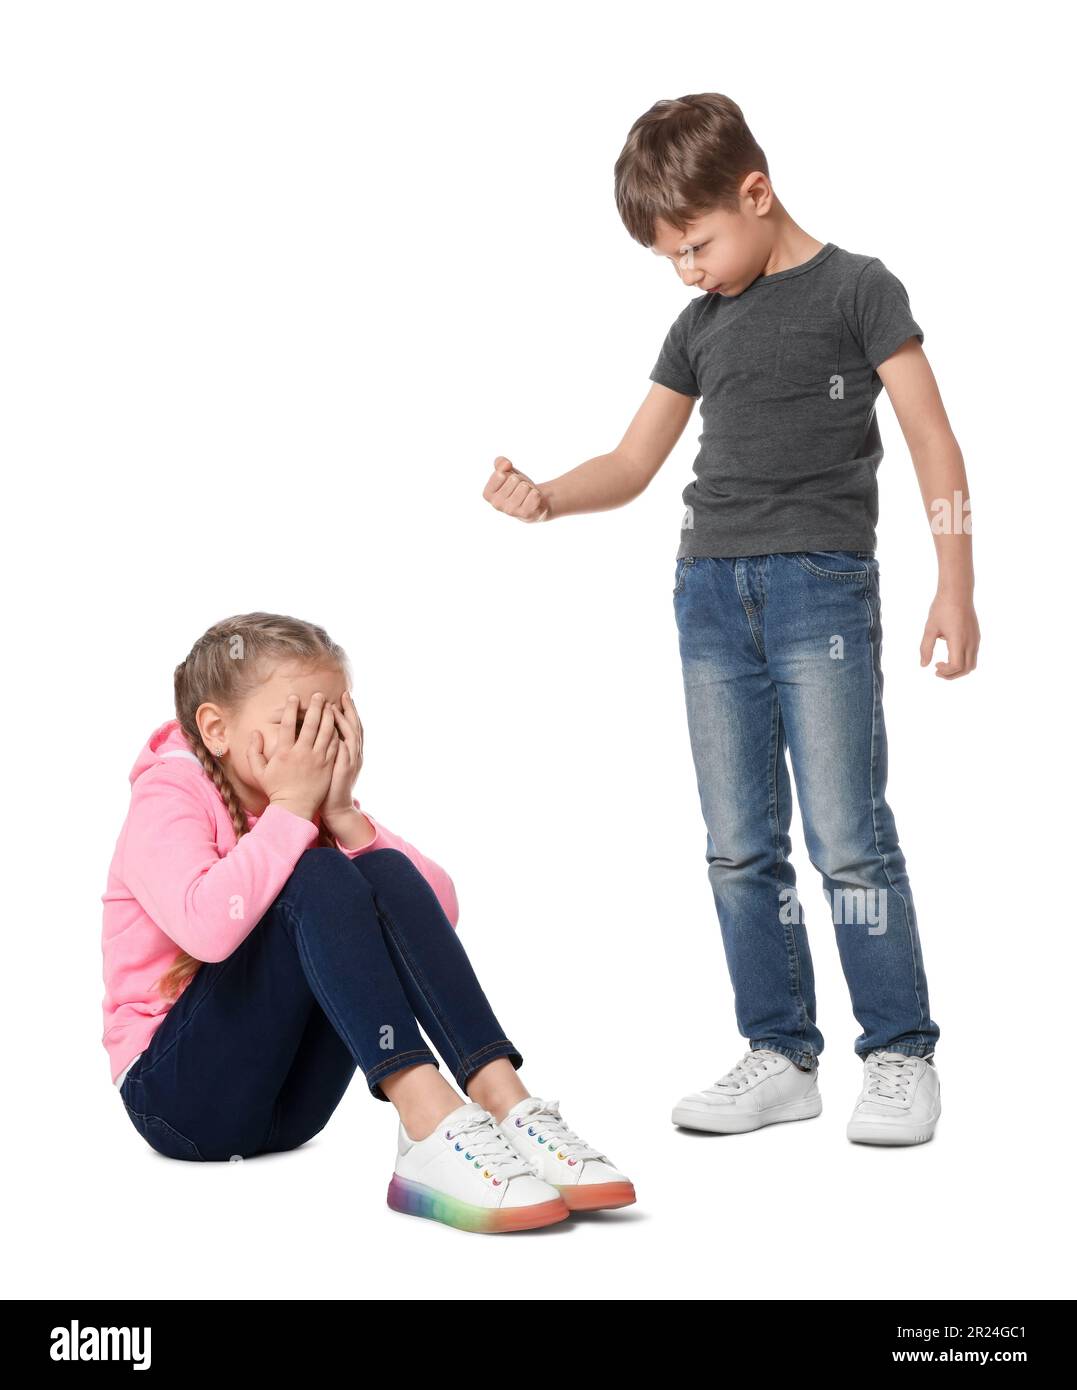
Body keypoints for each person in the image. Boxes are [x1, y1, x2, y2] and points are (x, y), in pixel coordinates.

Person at [483, 92, 979, 1147]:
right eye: (670, 257)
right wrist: (547, 495)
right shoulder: (699, 324)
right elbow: (632, 460)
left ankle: (898, 1053)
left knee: (848, 836)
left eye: (697, 244)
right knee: (737, 845)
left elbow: (935, 440)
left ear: (756, 193)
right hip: (709, 594)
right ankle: (780, 1054)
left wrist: (955, 583)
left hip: (821, 589)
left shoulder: (859, 288)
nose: (689, 270)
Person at [101, 611, 636, 1232]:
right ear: (217, 730)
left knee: (373, 870)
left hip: (294, 1107)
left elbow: (437, 911)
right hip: (180, 1101)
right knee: (319, 874)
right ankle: (427, 1116)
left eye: (333, 720)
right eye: (296, 723)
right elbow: (207, 930)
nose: (318, 742)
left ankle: (502, 1098)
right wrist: (295, 811)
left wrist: (345, 815)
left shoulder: (305, 806)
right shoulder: (171, 795)